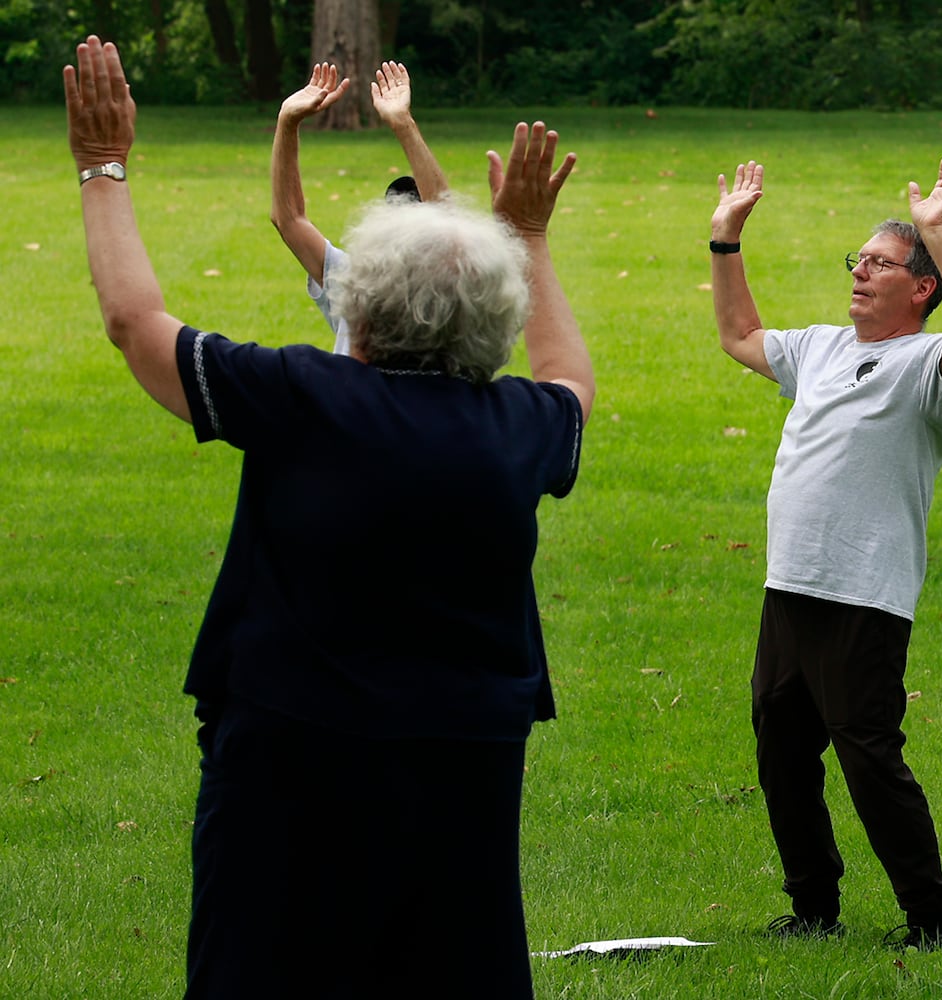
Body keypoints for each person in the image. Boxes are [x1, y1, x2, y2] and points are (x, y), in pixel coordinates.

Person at [65, 36, 593, 999]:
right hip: (464, 762)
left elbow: (135, 324)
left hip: (289, 759)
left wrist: (103, 170)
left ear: (364, 306)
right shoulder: (519, 428)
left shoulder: (302, 398)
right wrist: (531, 238)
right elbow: (568, 377)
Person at [710, 156, 942, 949]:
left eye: (879, 264)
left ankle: (929, 916)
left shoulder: (929, 369)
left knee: (868, 756)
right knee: (780, 754)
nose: (861, 273)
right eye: (859, 260)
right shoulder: (817, 347)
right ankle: (812, 907)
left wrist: (938, 231)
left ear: (921, 287)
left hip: (864, 595)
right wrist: (724, 239)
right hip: (791, 587)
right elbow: (738, 333)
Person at [271, 60, 450, 355]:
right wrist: (287, 122)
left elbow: (448, 224)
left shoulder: (450, 297)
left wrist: (403, 124)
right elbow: (288, 219)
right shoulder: (357, 282)